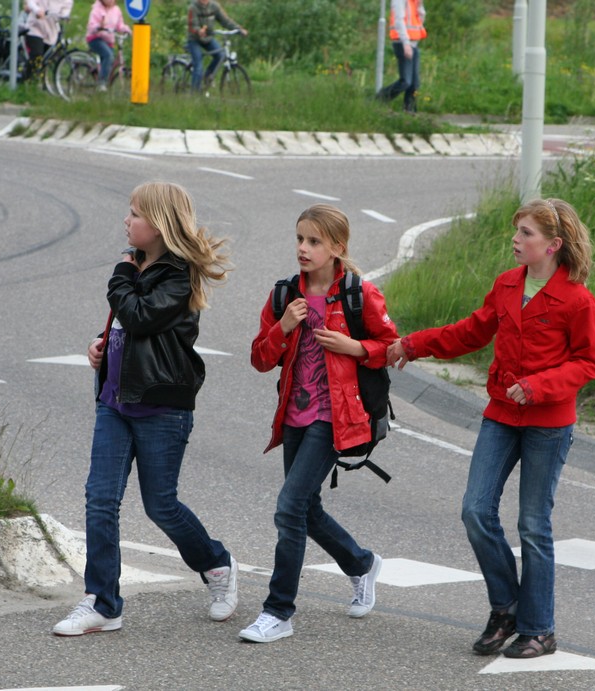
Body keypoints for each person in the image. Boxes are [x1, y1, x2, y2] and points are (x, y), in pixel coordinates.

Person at [386, 198, 595, 659]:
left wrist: (539, 386)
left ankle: (539, 630)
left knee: (533, 525)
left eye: (526, 233)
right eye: (517, 230)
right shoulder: (507, 284)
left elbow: (588, 362)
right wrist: (412, 344)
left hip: (548, 423)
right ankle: (506, 609)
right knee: (475, 510)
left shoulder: (577, 299)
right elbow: (471, 332)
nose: (516, 239)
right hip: (502, 414)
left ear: (553, 245)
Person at [53, 182, 238, 636]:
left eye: (135, 213)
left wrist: (120, 273)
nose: (126, 220)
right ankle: (103, 603)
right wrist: (101, 345)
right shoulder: (137, 266)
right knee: (100, 500)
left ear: (158, 224)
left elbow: (140, 315)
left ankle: (216, 564)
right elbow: (128, 326)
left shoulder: (179, 274)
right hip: (115, 402)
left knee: (161, 506)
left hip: (162, 407)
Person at [241, 204, 398, 644]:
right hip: (294, 414)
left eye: (314, 241)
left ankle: (278, 612)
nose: (303, 248)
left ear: (337, 248)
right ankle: (362, 564)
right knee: (306, 508)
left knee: (289, 507)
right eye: (299, 239)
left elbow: (391, 346)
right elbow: (260, 359)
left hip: (335, 417)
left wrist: (354, 347)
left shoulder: (358, 294)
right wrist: (283, 327)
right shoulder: (284, 295)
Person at [376, 0, 426, 113]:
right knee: (405, 82)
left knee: (414, 83)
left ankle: (409, 111)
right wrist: (406, 43)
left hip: (414, 43)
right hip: (402, 43)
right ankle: (378, 100)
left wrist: (420, 6)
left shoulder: (414, 1)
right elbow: (399, 21)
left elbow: (420, 21)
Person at [186, 0, 247, 93]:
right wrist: (199, 31)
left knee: (220, 55)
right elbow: (192, 26)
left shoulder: (214, 6)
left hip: (208, 38)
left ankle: (207, 77)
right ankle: (194, 94)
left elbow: (226, 21)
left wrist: (239, 29)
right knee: (198, 66)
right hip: (194, 39)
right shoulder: (193, 7)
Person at [84, 0, 130, 90]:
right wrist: (98, 27)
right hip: (95, 38)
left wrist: (126, 29)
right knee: (108, 55)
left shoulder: (116, 10)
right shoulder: (97, 9)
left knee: (108, 62)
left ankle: (101, 78)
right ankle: (101, 83)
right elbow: (91, 26)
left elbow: (119, 25)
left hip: (109, 40)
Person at [22, 0, 71, 80]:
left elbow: (66, 10)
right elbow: (31, 2)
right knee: (37, 54)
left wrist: (65, 16)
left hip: (51, 31)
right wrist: (37, 10)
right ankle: (26, 79)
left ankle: (39, 81)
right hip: (35, 27)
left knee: (47, 59)